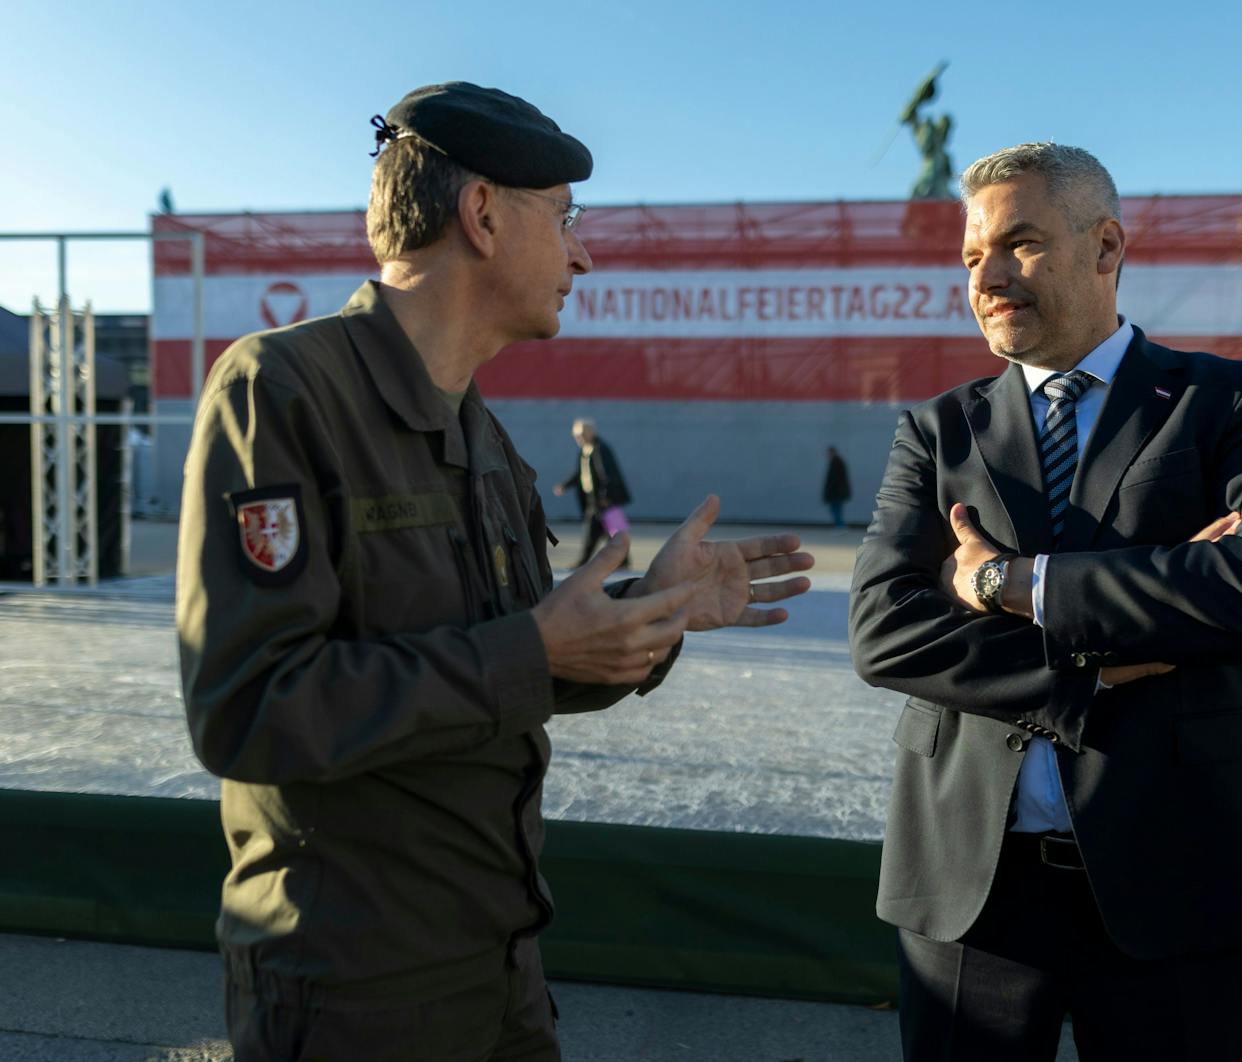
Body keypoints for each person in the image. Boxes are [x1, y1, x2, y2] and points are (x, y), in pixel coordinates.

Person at [175, 81, 813, 1062]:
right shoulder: (282, 390)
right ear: (480, 215)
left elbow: (520, 669)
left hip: (500, 969)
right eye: (564, 220)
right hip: (354, 992)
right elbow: (249, 708)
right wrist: (528, 647)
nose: (582, 254)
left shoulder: (486, 439)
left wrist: (648, 613)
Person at [848, 142, 1242, 1061]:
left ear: (1106, 247)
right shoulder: (937, 430)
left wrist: (1009, 583)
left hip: (1182, 874)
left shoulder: (1233, 402)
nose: (986, 276)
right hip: (968, 888)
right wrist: (1101, 654)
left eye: (1018, 244)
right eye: (971, 257)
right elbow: (884, 634)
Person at [552, 418, 631, 567]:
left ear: (590, 433)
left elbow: (608, 474)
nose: (577, 438)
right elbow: (580, 473)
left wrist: (605, 496)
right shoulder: (585, 450)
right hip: (594, 500)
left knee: (613, 531)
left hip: (606, 500)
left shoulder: (600, 449)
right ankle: (593, 560)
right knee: (597, 532)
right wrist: (564, 485)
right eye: (576, 435)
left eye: (580, 434)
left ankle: (621, 561)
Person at [822, 445, 852, 528]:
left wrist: (830, 491)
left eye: (828, 453)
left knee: (836, 509)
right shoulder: (837, 462)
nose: (827, 455)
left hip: (836, 492)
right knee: (836, 509)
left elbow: (834, 480)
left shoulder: (836, 462)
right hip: (837, 492)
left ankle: (840, 525)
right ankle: (839, 525)